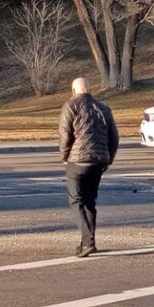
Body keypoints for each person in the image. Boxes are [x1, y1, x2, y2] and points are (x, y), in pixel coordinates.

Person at [59, 77, 120, 257]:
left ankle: (88, 241)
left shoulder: (70, 106)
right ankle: (87, 241)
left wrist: (64, 156)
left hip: (78, 161)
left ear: (73, 91)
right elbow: (114, 137)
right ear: (89, 89)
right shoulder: (104, 108)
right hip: (99, 161)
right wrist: (108, 159)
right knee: (89, 201)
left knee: (76, 200)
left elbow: (65, 134)